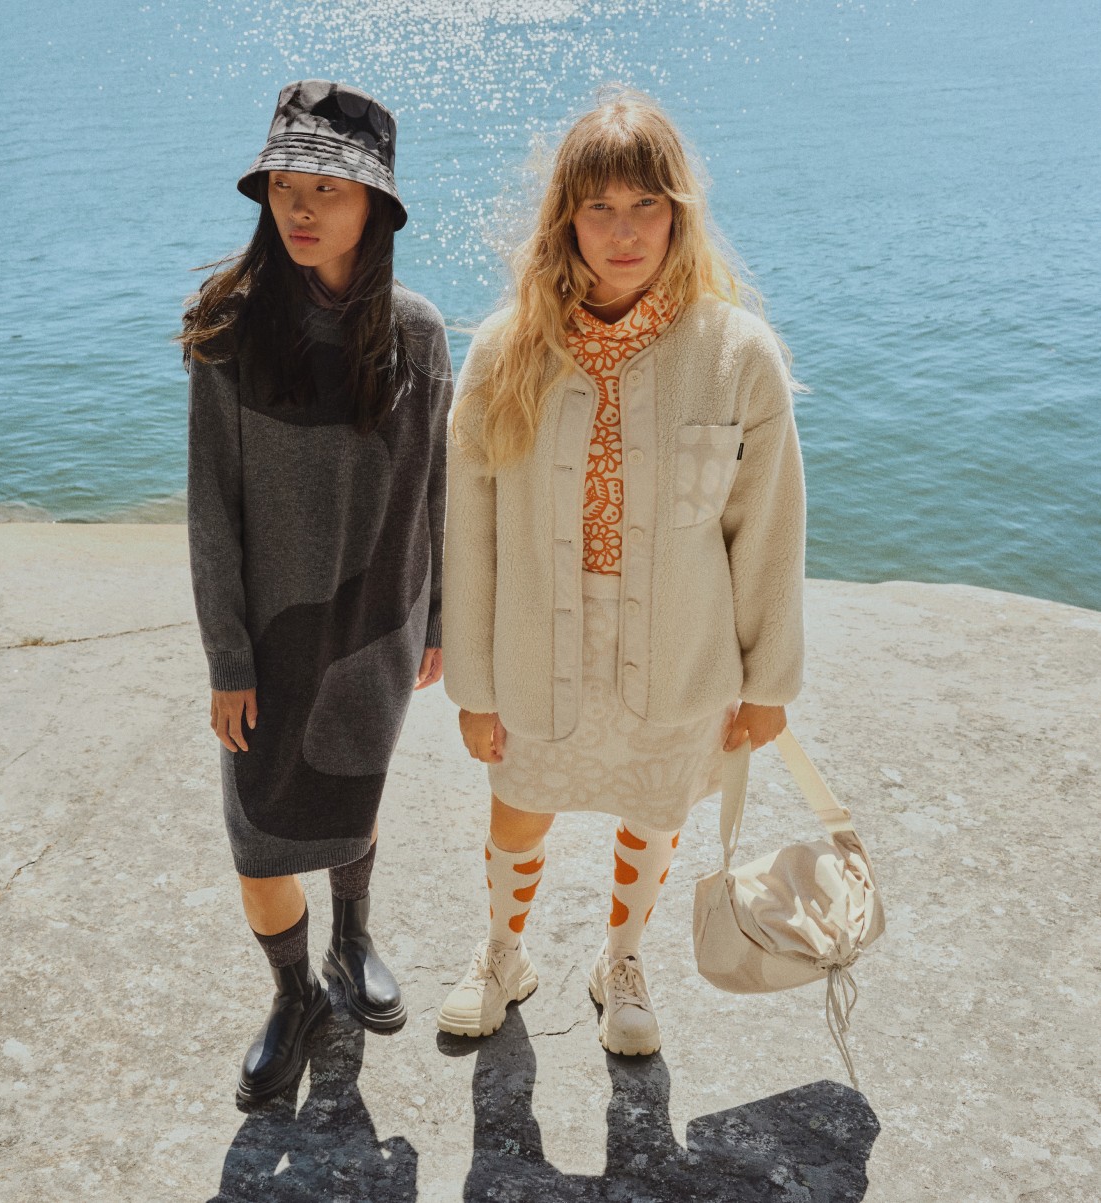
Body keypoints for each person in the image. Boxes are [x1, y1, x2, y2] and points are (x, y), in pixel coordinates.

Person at [438, 89, 806, 1056]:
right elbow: (469, 531)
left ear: (679, 212)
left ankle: (623, 957)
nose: (625, 231)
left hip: (682, 639)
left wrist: (768, 681)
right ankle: (503, 949)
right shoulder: (503, 350)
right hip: (535, 638)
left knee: (651, 808)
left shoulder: (737, 354)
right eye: (598, 207)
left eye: (647, 204)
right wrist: (473, 686)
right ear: (565, 218)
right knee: (520, 807)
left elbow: (765, 528)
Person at [181, 80, 452, 1105]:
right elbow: (211, 508)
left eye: (327, 190)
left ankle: (352, 939)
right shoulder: (229, 327)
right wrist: (228, 657)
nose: (300, 208)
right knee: (258, 838)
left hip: (377, 623)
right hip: (268, 633)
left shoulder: (417, 333)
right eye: (285, 186)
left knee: (351, 796)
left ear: (376, 203)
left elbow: (437, 488)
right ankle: (293, 994)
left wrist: (441, 620)